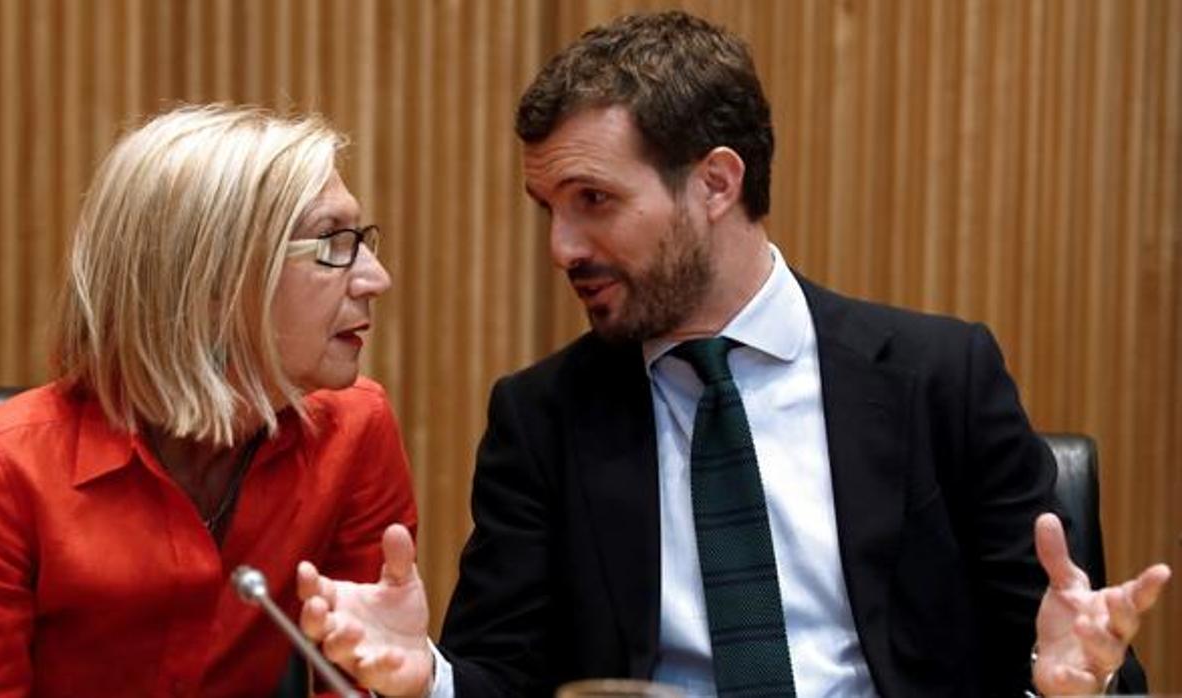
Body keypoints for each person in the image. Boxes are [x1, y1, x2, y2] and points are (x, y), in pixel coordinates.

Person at [296, 11, 1171, 698]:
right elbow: (506, 678)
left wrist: (1071, 684)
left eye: (594, 200)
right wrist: (427, 679)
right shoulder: (543, 418)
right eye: (548, 209)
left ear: (717, 182)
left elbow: (1074, 655)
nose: (563, 246)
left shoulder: (940, 378)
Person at [0, 104, 417, 696]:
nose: (376, 278)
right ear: (210, 280)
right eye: (331, 243)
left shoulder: (357, 428)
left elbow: (357, 678)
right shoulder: (4, 468)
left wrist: (396, 682)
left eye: (362, 241)